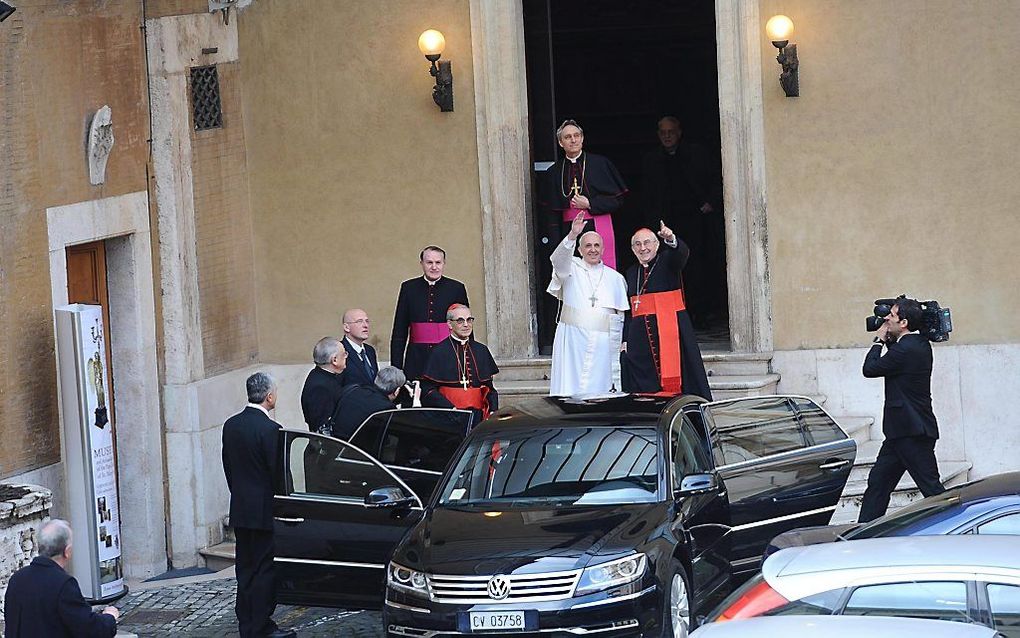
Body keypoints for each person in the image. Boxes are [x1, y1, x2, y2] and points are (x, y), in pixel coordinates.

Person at [857, 298, 944, 523]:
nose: (886, 318)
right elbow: (895, 357)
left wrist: (878, 340)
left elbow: (870, 369)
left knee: (933, 490)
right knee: (878, 484)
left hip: (912, 434)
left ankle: (959, 530)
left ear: (903, 322)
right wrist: (889, 337)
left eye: (892, 316)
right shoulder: (918, 344)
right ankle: (861, 536)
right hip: (900, 433)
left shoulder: (907, 349)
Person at [221, 372, 294, 638]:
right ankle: (261, 625)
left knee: (245, 568)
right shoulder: (270, 430)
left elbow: (228, 466)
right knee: (264, 569)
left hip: (241, 507)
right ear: (269, 396)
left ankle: (247, 624)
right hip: (264, 510)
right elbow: (278, 474)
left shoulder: (231, 425)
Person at [640, 116, 724, 325]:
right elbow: (647, 194)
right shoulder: (652, 160)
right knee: (667, 266)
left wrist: (710, 203)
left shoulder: (697, 154)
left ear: (679, 133)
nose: (667, 136)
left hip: (696, 220)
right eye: (663, 133)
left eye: (671, 132)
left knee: (698, 266)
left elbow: (716, 179)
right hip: (665, 224)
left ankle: (702, 312)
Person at [621, 223, 712, 400]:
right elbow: (629, 310)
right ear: (633, 249)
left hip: (673, 333)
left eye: (647, 243)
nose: (643, 248)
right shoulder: (632, 273)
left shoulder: (668, 262)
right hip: (641, 341)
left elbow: (681, 253)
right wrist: (625, 338)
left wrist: (671, 238)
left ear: (656, 245)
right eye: (638, 244)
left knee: (682, 376)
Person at [547, 211, 629, 395]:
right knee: (571, 388)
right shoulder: (570, 267)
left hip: (603, 344)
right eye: (588, 246)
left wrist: (623, 340)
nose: (592, 249)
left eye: (597, 245)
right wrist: (572, 235)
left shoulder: (615, 278)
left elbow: (621, 314)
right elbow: (557, 260)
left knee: (601, 390)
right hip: (573, 340)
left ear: (603, 249)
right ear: (579, 250)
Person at [3, 519, 119, 638]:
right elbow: (89, 629)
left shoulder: (17, 578)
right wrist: (109, 617)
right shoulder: (63, 584)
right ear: (67, 551)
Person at [540, 120, 628, 269]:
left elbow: (618, 200)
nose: (573, 140)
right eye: (567, 137)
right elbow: (550, 212)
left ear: (582, 138)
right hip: (568, 231)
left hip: (598, 225)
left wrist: (590, 204)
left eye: (576, 135)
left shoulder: (600, 164)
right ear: (561, 143)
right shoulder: (554, 172)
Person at [390, 246, 470, 381]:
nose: (434, 267)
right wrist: (396, 368)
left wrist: (468, 362)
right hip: (417, 359)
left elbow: (465, 326)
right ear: (421, 263)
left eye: (438, 262)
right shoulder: (409, 288)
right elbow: (400, 330)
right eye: (429, 262)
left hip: (449, 356)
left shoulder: (456, 288)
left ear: (444, 263)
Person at [421, 304, 499, 421]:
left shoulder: (481, 350)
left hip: (478, 416)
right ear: (449, 324)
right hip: (448, 417)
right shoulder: (439, 351)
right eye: (460, 321)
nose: (466, 324)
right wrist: (450, 408)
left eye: (469, 320)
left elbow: (489, 388)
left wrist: (493, 410)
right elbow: (428, 389)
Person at [331, 366, 405, 438]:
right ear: (397, 391)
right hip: (358, 447)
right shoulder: (387, 408)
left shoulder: (352, 389)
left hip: (334, 439)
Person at [300, 336, 347, 435]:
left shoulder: (323, 375)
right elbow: (322, 426)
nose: (346, 356)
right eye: (344, 354)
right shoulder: (320, 387)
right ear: (334, 360)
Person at [340, 308, 378, 388]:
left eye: (367, 321)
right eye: (359, 321)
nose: (365, 325)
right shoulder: (339, 351)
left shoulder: (370, 350)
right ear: (347, 327)